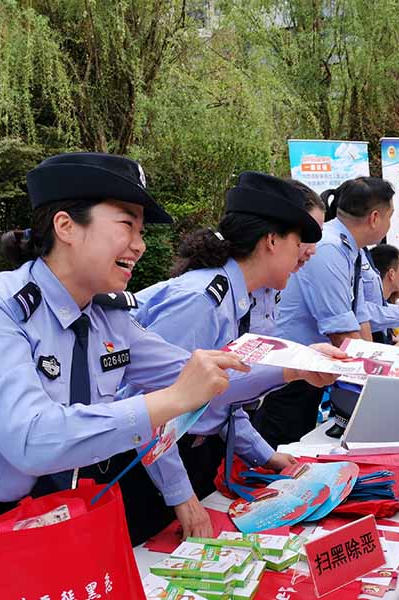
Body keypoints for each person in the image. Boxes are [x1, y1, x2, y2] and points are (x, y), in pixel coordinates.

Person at [0, 153, 324, 599]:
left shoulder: (108, 317)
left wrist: (296, 367)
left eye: (141, 231)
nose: (139, 245)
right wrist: (169, 401)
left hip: (37, 523)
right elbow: (31, 440)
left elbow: (200, 375)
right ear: (66, 226)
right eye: (126, 225)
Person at [127, 171, 337, 539]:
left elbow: (220, 398)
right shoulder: (201, 302)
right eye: (298, 241)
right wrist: (181, 496)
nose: (306, 253)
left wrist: (266, 455)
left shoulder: (242, 298)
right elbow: (152, 406)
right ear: (271, 241)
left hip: (191, 455)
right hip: (150, 469)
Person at [252, 176, 394, 448]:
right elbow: (342, 332)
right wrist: (379, 386)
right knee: (280, 446)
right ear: (375, 218)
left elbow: (359, 318)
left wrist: (378, 375)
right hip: (290, 372)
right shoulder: (329, 248)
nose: (308, 251)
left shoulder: (351, 250)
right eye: (391, 215)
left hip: (309, 367)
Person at [249, 179, 326, 337]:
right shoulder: (211, 297)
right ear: (273, 238)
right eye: (305, 237)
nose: (312, 251)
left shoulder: (273, 283)